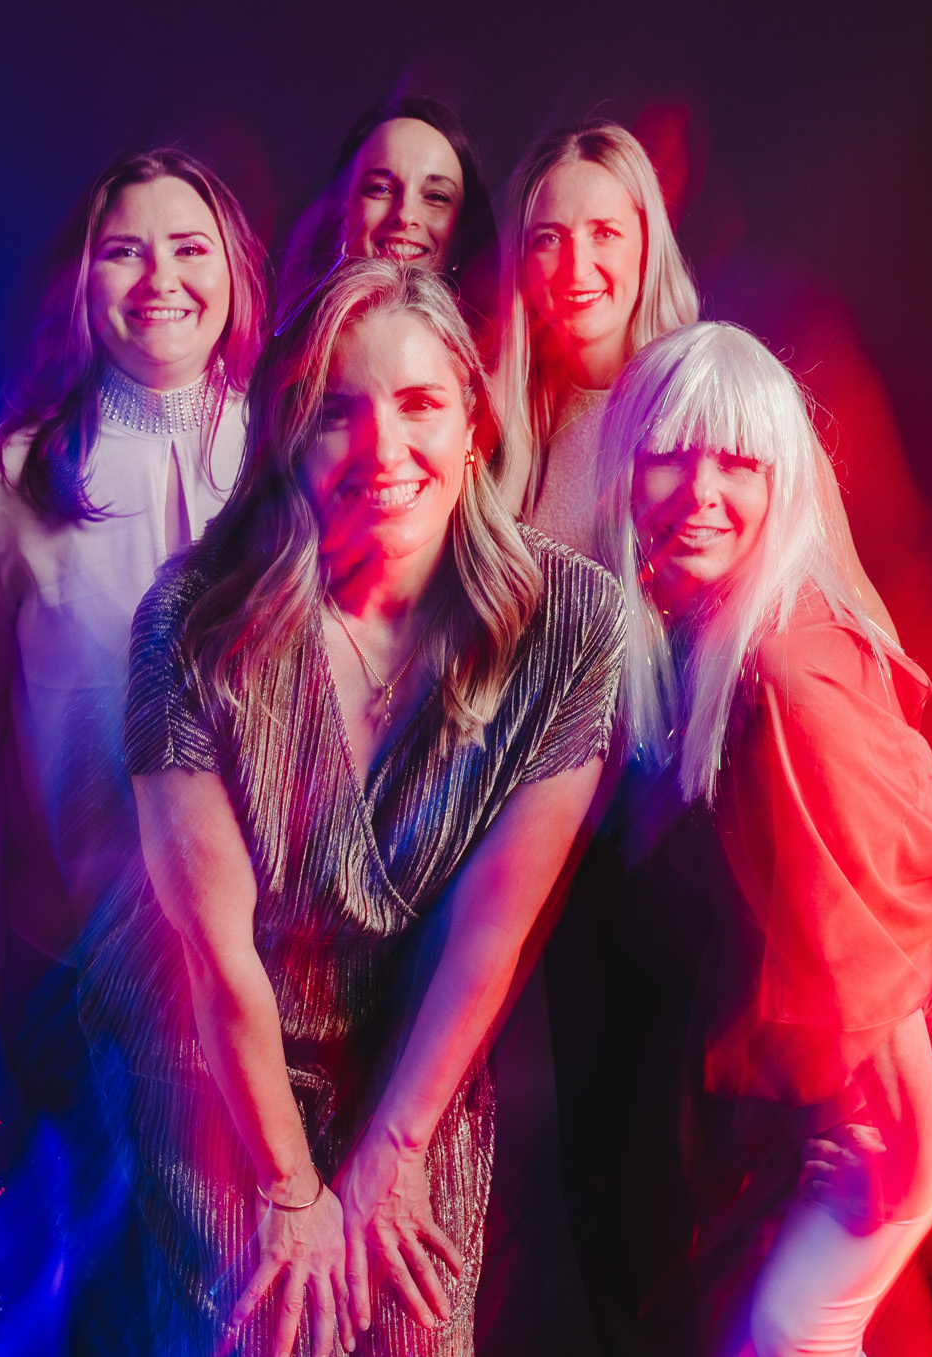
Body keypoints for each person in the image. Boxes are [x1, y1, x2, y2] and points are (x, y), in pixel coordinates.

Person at [72, 258, 626, 1357]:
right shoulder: (191, 622)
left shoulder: (570, 625)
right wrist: (288, 1189)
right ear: (288, 438)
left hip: (415, 1068)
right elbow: (215, 951)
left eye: (419, 403)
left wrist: (391, 1154)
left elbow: (489, 932)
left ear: (474, 425)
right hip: (222, 1077)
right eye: (337, 411)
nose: (382, 448)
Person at [591, 321, 932, 1357]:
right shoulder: (695, 615)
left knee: (793, 1324)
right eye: (671, 455)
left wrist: (905, 1142)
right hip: (899, 971)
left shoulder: (784, 674)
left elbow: (878, 941)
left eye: (739, 462)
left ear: (783, 480)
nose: (701, 491)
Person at [0, 145, 267, 1343]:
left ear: (233, 272)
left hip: (266, 968)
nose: (160, 278)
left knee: (240, 1285)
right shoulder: (9, 476)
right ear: (83, 279)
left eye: (189, 247)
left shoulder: (291, 457)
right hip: (70, 960)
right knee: (108, 1292)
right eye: (126, 251)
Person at [491, 120, 699, 539]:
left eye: (605, 233)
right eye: (549, 239)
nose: (576, 268)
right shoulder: (519, 407)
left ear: (647, 245)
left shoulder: (702, 397)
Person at [279, 97, 498, 331]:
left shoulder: (499, 350)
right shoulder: (291, 344)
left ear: (462, 230)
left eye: (436, 196)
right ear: (344, 210)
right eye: (380, 189)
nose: (405, 215)